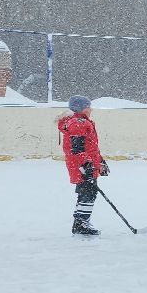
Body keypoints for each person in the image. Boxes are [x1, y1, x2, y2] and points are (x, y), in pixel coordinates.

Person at [57, 95, 106, 237]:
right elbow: (77, 149)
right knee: (88, 193)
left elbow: (91, 146)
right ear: (81, 108)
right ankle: (81, 224)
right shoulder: (78, 123)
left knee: (86, 193)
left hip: (84, 164)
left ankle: (81, 221)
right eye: (88, 106)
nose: (91, 109)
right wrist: (86, 165)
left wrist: (100, 161)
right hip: (81, 166)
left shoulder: (82, 122)